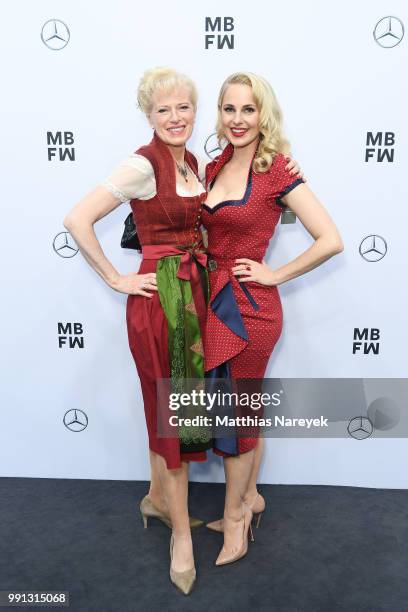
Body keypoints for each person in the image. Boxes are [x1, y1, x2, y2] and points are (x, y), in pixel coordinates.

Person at [62, 66, 302, 595]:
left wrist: (281, 173)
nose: (175, 118)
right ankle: (181, 541)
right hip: (161, 299)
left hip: (195, 297)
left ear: (197, 113)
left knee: (183, 408)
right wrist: (117, 278)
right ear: (148, 115)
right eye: (163, 109)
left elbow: (255, 199)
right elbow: (78, 219)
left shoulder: (197, 162)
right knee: (172, 410)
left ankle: (157, 496)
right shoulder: (142, 164)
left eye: (184, 107)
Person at [201, 72, 343, 566]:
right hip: (211, 304)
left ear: (264, 114)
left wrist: (275, 273)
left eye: (248, 109)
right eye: (229, 109)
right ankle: (251, 497)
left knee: (239, 416)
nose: (237, 119)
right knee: (238, 412)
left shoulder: (278, 170)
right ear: (218, 114)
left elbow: (330, 239)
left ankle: (237, 520)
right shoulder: (212, 166)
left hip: (249, 311)